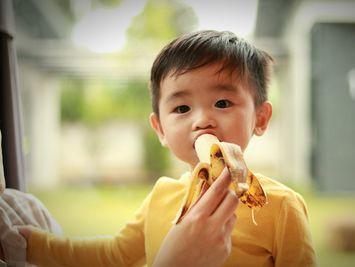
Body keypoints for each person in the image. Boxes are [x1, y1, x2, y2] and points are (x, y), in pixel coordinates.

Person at [17, 30, 317, 266]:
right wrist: (32, 244)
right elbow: (113, 256)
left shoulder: (282, 207)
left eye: (222, 103)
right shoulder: (161, 197)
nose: (202, 120)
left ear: (261, 118)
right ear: (160, 129)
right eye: (182, 107)